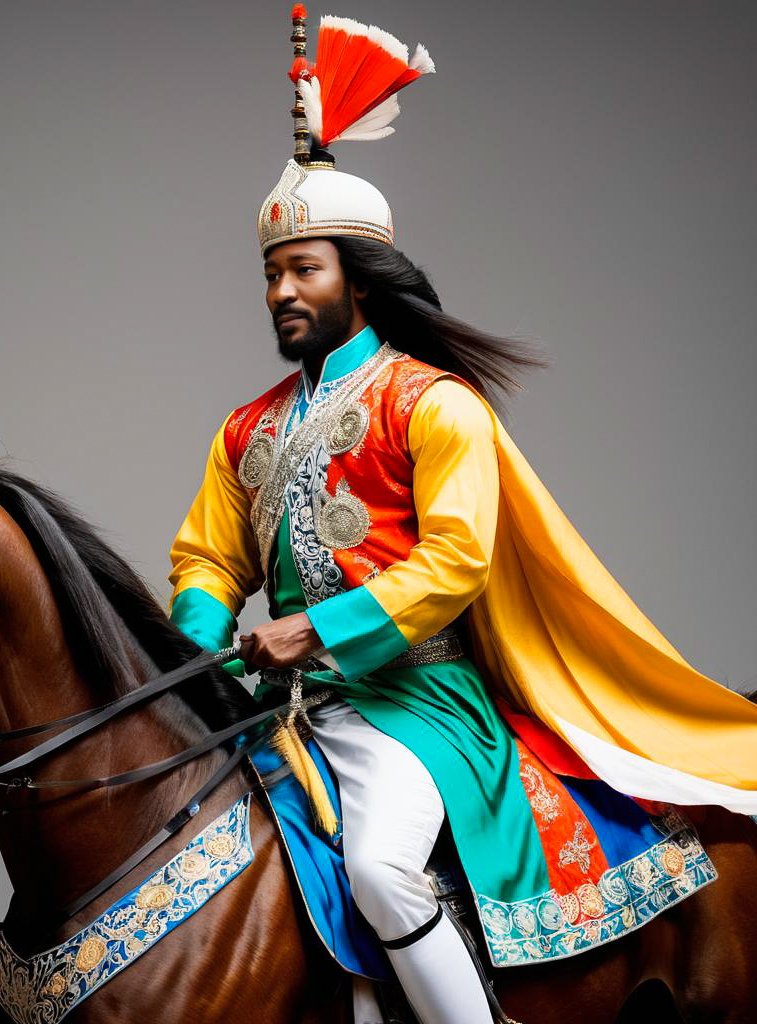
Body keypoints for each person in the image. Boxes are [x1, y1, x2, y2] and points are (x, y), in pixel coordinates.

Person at [168, 9, 757, 1024]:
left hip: (418, 704)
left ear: (360, 274)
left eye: (302, 268)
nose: (279, 291)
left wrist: (313, 627)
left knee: (384, 870)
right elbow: (207, 558)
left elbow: (454, 560)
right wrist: (190, 661)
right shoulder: (245, 430)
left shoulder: (431, 402)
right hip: (278, 709)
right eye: (271, 272)